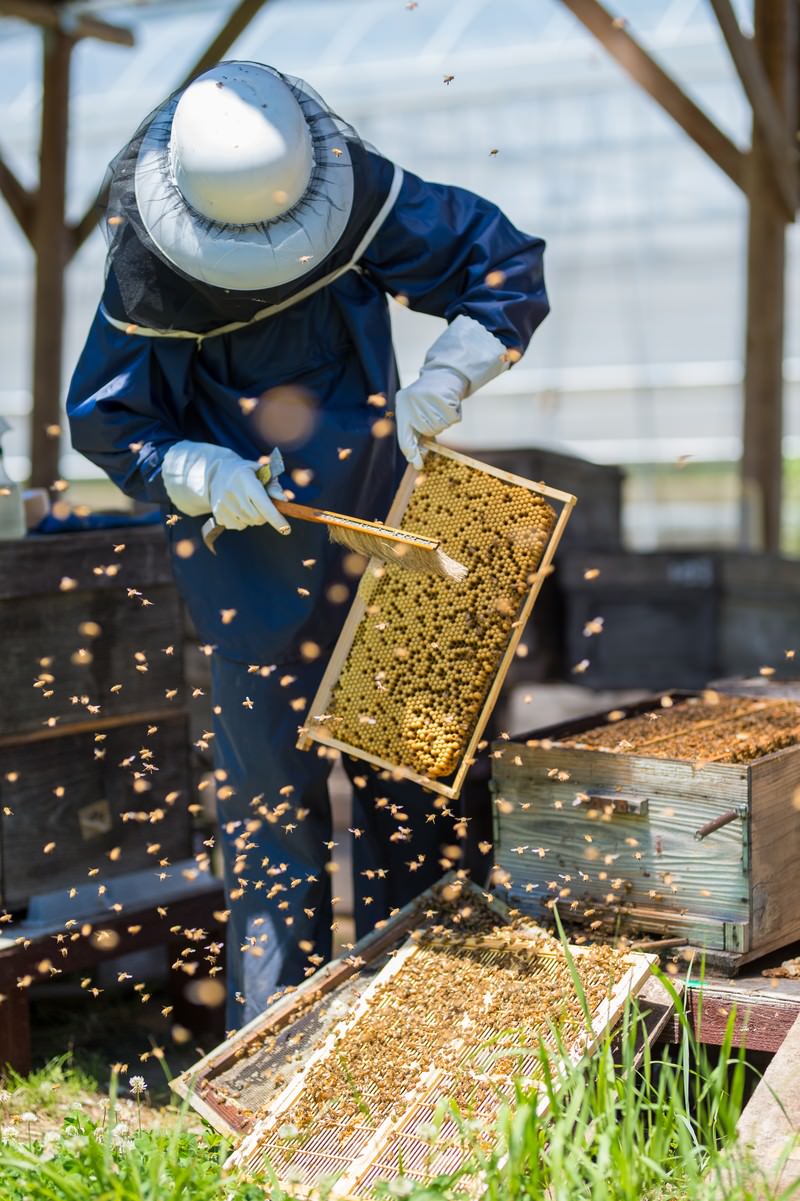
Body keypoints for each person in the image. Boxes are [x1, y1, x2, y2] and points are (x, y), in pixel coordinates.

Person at [67, 61, 549, 1029]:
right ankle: (275, 1047)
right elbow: (113, 422)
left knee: (414, 803)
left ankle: (417, 1031)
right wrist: (195, 470)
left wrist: (446, 376)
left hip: (392, 547)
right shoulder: (150, 263)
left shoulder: (361, 194)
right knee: (272, 826)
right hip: (248, 570)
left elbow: (500, 265)